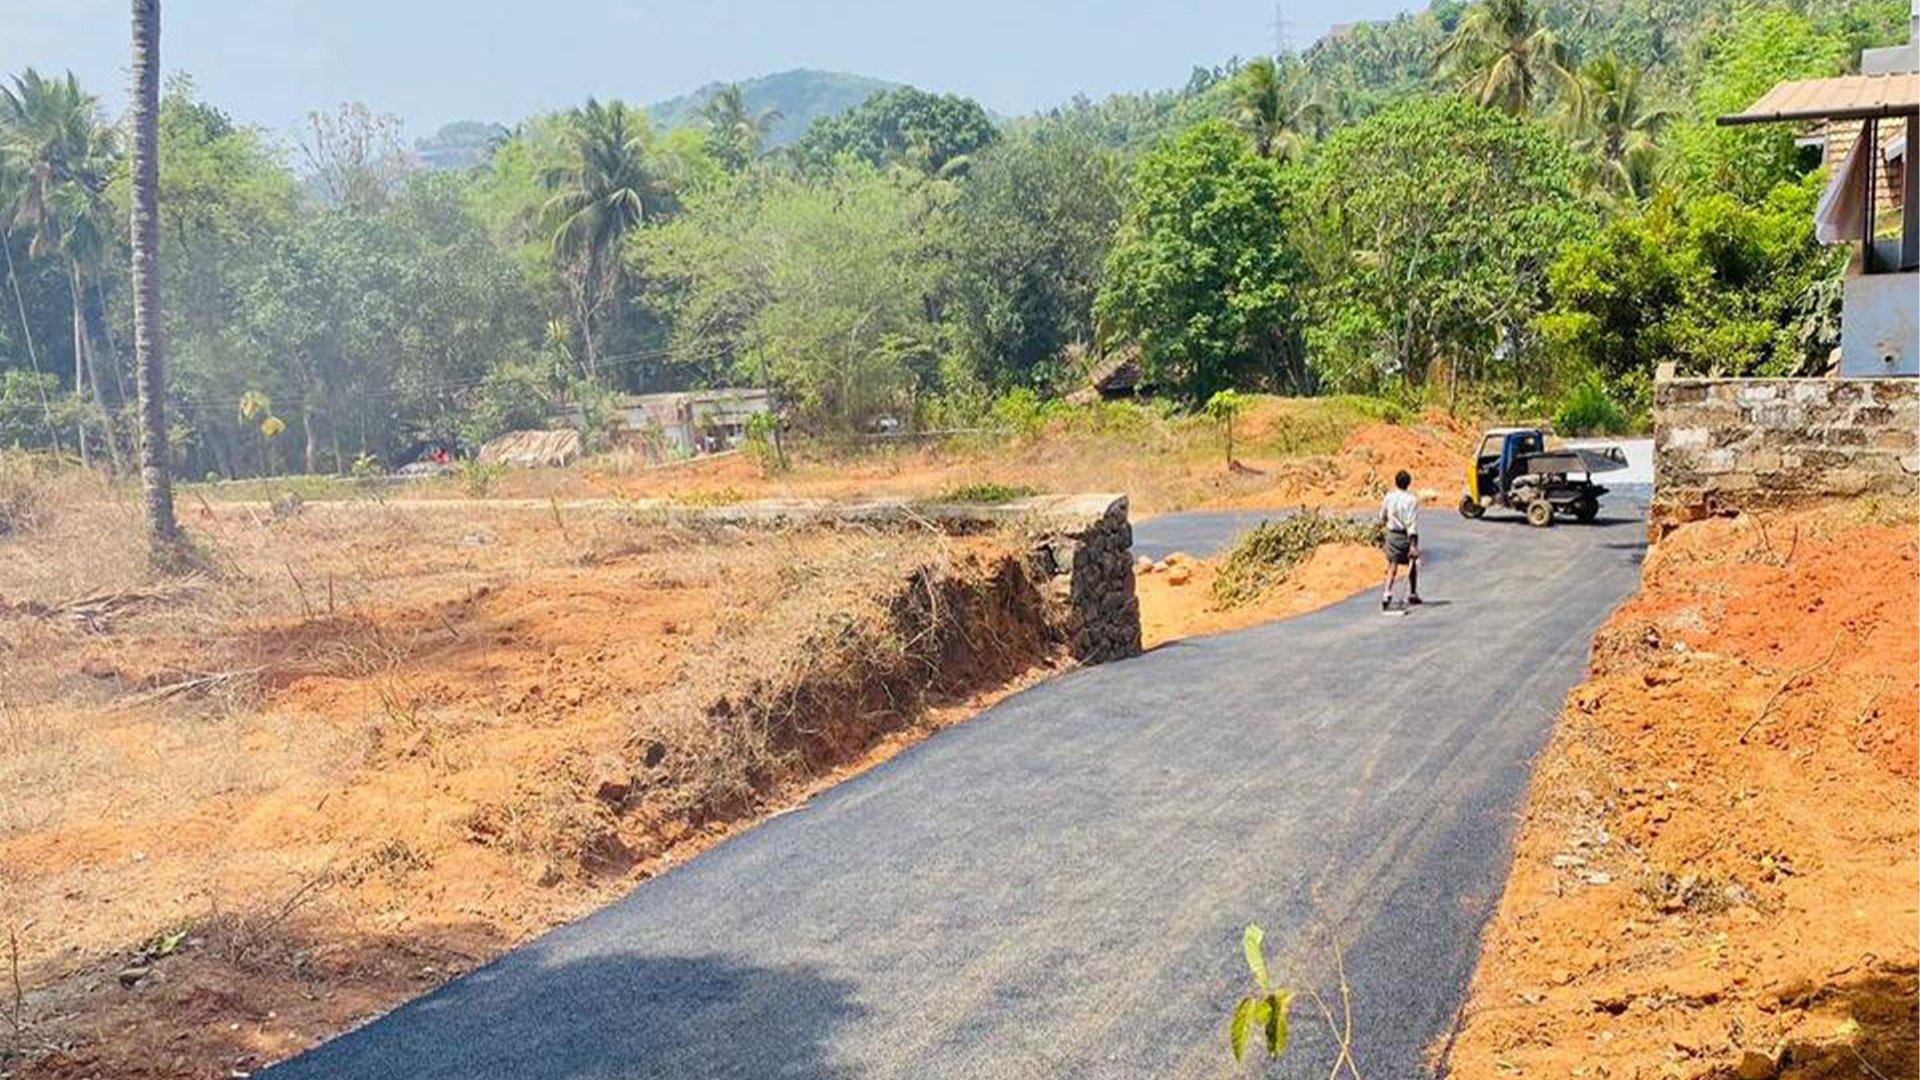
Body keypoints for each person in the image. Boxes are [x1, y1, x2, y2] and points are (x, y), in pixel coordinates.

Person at [1380, 470, 1421, 611]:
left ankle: (1387, 592)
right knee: (1412, 563)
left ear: (1395, 482)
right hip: (1405, 535)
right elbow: (1412, 524)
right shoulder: (1412, 500)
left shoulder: (1389, 497)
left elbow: (1382, 516)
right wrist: (1413, 545)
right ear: (1409, 484)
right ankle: (1412, 593)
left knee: (1392, 564)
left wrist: (1385, 523)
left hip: (1392, 534)